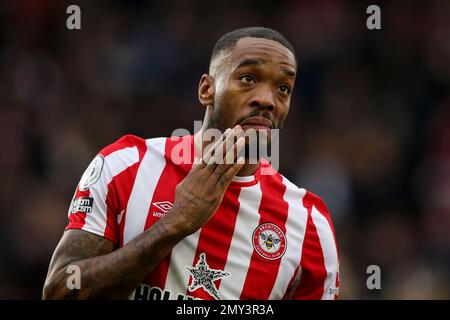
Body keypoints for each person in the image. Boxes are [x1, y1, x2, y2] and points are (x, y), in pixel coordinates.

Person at [43, 27, 339, 300]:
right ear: (206, 90)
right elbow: (58, 290)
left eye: (283, 88)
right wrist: (175, 223)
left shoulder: (309, 225)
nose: (267, 100)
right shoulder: (126, 166)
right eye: (248, 79)